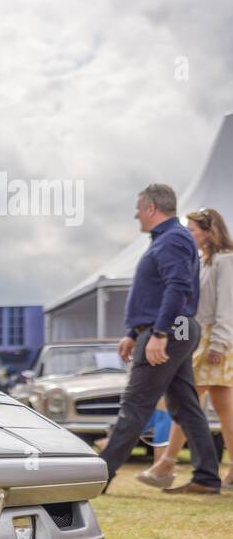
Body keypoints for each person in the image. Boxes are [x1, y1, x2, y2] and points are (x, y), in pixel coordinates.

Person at [97, 184, 220, 494]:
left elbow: (177, 287)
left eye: (139, 208)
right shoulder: (168, 239)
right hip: (168, 329)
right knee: (186, 408)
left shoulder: (173, 239)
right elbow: (155, 292)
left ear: (151, 208)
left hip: (168, 330)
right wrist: (132, 333)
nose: (136, 214)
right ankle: (207, 477)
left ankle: (101, 476)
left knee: (135, 403)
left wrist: (159, 333)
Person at [138, 207, 233, 489]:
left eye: (192, 230)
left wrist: (219, 343)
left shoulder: (225, 262)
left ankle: (166, 464)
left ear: (209, 230)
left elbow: (227, 306)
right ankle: (169, 465)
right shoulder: (203, 261)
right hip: (203, 338)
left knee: (187, 401)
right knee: (223, 409)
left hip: (214, 340)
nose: (188, 235)